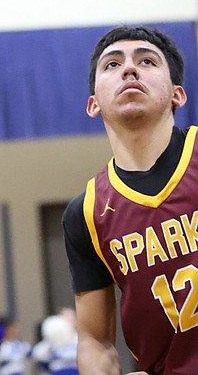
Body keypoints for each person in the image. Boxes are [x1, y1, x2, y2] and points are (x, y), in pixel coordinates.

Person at [62, 25, 196, 374]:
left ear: (178, 95)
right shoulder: (86, 213)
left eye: (147, 61)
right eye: (112, 65)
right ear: (93, 104)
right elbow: (95, 339)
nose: (129, 69)